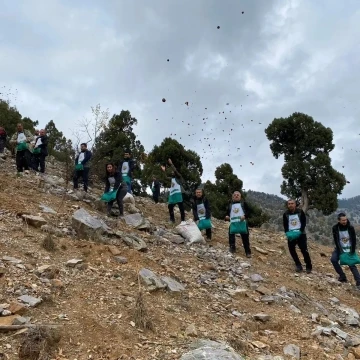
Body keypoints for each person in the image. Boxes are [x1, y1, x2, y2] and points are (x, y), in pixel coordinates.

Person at [331, 213, 360, 289]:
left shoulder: (350, 227)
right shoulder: (335, 228)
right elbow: (336, 240)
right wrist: (341, 251)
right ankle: (342, 276)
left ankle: (359, 282)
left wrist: (352, 251)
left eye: (345, 220)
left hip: (349, 248)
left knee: (351, 264)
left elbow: (354, 240)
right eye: (343, 220)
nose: (345, 221)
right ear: (339, 220)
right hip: (339, 248)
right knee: (333, 260)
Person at [283, 199, 312, 273]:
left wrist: (300, 231)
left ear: (295, 204)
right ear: (287, 205)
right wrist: (287, 233)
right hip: (291, 234)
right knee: (291, 250)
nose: (290, 205)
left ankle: (309, 266)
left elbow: (303, 222)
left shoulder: (300, 212)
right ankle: (298, 265)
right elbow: (285, 225)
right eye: (289, 204)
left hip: (301, 234)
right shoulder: (285, 214)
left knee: (304, 250)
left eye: (292, 203)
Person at [225, 191, 251, 257]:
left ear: (240, 196)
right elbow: (227, 214)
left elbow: (249, 211)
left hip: (242, 223)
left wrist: (245, 216)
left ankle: (248, 252)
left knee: (245, 237)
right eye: (235, 195)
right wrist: (226, 217)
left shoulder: (244, 203)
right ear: (233, 197)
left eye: (238, 195)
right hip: (233, 223)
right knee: (231, 235)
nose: (236, 196)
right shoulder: (230, 205)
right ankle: (232, 248)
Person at [161, 158, 186, 225]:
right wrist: (164, 171)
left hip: (179, 194)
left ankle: (183, 220)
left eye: (173, 172)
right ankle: (172, 219)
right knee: (170, 206)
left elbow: (175, 170)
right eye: (172, 172)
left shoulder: (179, 177)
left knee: (181, 207)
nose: (172, 172)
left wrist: (171, 164)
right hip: (173, 195)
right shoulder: (172, 179)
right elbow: (166, 177)